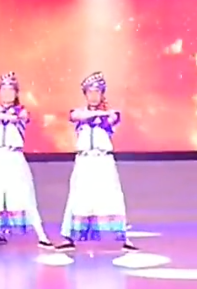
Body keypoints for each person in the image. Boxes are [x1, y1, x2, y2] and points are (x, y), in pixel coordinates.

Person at [55, 72, 138, 251]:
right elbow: (75, 116)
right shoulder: (79, 113)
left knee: (112, 196)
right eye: (90, 92)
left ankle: (124, 237)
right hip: (84, 160)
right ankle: (69, 236)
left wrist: (102, 113)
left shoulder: (111, 114)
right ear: (85, 94)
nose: (93, 96)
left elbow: (113, 118)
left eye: (97, 92)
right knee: (77, 196)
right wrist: (95, 114)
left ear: (102, 94)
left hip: (103, 160)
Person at [0, 72, 52, 247]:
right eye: (4, 90)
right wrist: (4, 115)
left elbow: (21, 116)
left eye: (11, 90)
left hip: (14, 158)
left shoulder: (21, 111)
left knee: (25, 195)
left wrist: (4, 115)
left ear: (16, 94)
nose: (7, 94)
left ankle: (41, 235)